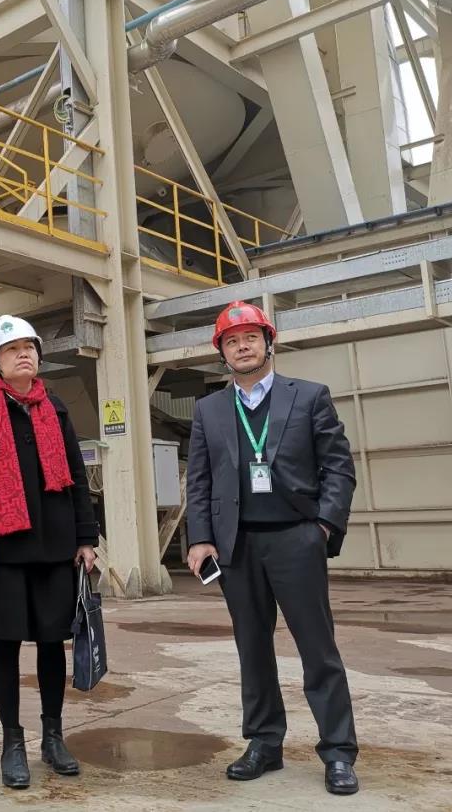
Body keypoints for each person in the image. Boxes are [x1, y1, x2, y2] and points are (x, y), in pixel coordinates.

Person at [186, 301, 359, 796]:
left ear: (268, 343)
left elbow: (338, 467)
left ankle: (338, 751)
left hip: (295, 537)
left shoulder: (308, 396)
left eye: (250, 338)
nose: (242, 347)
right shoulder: (209, 409)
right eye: (231, 341)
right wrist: (200, 538)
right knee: (252, 647)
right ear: (222, 352)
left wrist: (322, 526)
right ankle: (264, 742)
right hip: (237, 546)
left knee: (317, 648)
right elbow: (199, 480)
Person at [0, 314, 99, 789]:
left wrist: (86, 537)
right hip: (3, 548)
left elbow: (76, 475)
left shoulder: (55, 408)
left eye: (30, 347)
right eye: (12, 349)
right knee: (6, 643)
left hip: (55, 546)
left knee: (52, 643)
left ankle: (53, 737)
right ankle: (12, 742)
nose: (24, 355)